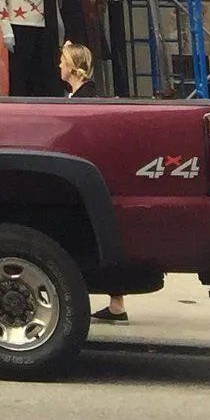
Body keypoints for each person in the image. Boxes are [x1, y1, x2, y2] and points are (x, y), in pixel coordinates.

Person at [59, 40, 127, 322]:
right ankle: (116, 304)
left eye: (63, 62)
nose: (59, 66)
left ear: (74, 68)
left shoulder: (88, 98)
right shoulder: (82, 95)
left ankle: (113, 302)